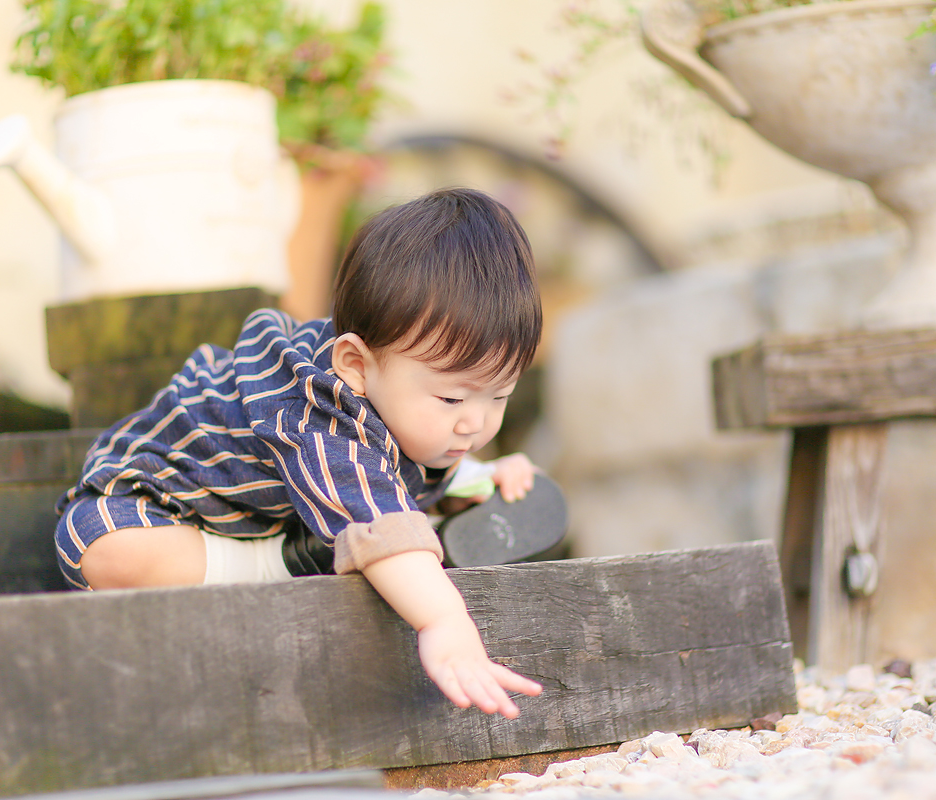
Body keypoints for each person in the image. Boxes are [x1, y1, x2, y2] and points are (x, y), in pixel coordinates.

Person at [54, 187, 565, 719]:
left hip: (265, 512)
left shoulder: (404, 389)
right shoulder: (318, 419)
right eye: (454, 397)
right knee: (109, 550)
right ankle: (283, 565)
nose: (476, 421)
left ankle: (409, 513)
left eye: (499, 394)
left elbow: (398, 456)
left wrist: (480, 475)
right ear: (355, 364)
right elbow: (380, 510)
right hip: (146, 507)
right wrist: (444, 622)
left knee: (407, 478)